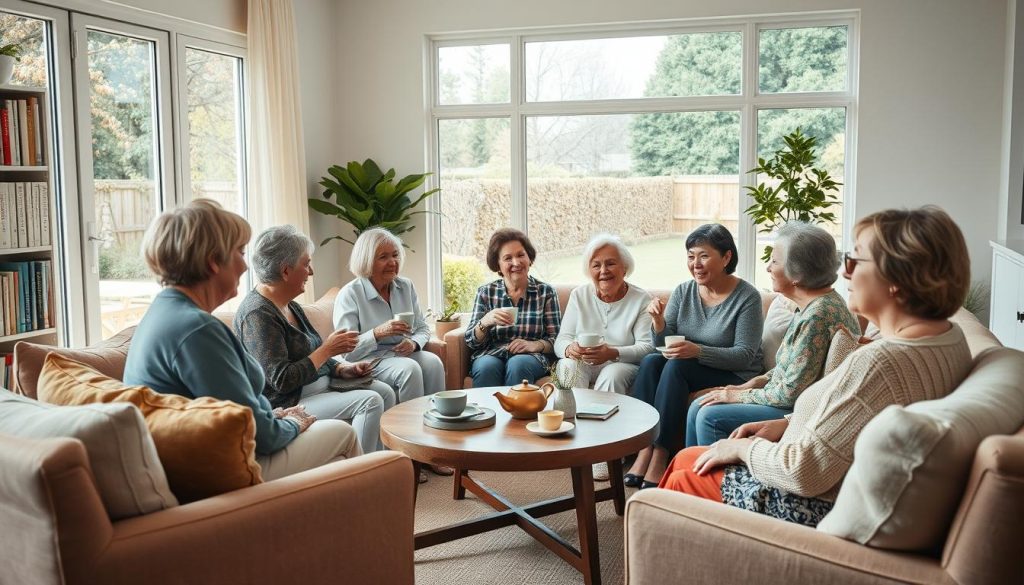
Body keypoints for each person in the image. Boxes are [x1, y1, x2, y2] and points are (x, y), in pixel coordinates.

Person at [659, 206, 974, 528]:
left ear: (896, 278)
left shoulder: (879, 363)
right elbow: (844, 418)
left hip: (808, 504)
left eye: (854, 261)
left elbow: (803, 472)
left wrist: (742, 447)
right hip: (816, 471)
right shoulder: (946, 337)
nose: (844, 273)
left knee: (672, 486)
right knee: (686, 457)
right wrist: (785, 422)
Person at [124, 200, 360, 481]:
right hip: (218, 469)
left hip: (214, 449)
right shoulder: (197, 330)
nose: (246, 266)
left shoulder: (165, 312)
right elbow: (261, 436)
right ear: (214, 261)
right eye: (240, 252)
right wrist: (294, 423)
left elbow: (236, 409)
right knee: (342, 434)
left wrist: (278, 416)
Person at [685, 221, 860, 446]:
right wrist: (753, 383)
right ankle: (689, 476)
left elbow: (789, 394)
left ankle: (713, 480)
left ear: (797, 272)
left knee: (710, 415)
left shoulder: (817, 316)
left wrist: (736, 396)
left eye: (774, 261)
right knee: (700, 404)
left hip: (796, 413)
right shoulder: (813, 305)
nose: (768, 267)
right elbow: (793, 367)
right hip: (790, 401)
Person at [624, 224, 763, 490]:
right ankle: (644, 447)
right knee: (653, 362)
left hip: (733, 372)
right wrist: (658, 322)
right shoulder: (684, 291)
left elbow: (744, 356)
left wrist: (698, 351)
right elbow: (662, 346)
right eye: (690, 256)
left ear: (726, 257)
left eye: (703, 255)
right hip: (688, 366)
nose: (695, 264)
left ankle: (661, 451)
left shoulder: (747, 298)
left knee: (677, 366)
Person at [235, 225, 396, 454]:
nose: (311, 272)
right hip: (287, 402)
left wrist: (342, 368)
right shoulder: (258, 315)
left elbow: (314, 348)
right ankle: (361, 472)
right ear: (286, 271)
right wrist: (328, 350)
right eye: (306, 263)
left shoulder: (289, 304)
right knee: (370, 401)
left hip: (317, 387)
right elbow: (281, 380)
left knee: (385, 392)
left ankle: (382, 463)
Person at [332, 227, 449, 479]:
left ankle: (435, 450)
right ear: (366, 260)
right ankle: (407, 456)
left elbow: (421, 328)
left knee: (433, 362)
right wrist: (377, 333)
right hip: (370, 358)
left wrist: (415, 344)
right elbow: (347, 351)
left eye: (395, 255)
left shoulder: (405, 286)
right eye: (383, 256)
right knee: (410, 370)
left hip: (402, 352)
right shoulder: (350, 294)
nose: (392, 262)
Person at [465, 228, 562, 387]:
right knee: (486, 367)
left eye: (521, 255)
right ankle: (486, 412)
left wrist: (534, 345)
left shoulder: (546, 293)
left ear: (529, 258)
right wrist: (485, 321)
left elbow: (556, 340)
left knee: (518, 365)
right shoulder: (486, 292)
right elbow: (471, 341)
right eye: (508, 258)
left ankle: (518, 412)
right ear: (498, 265)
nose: (516, 263)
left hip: (531, 357)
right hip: (491, 354)